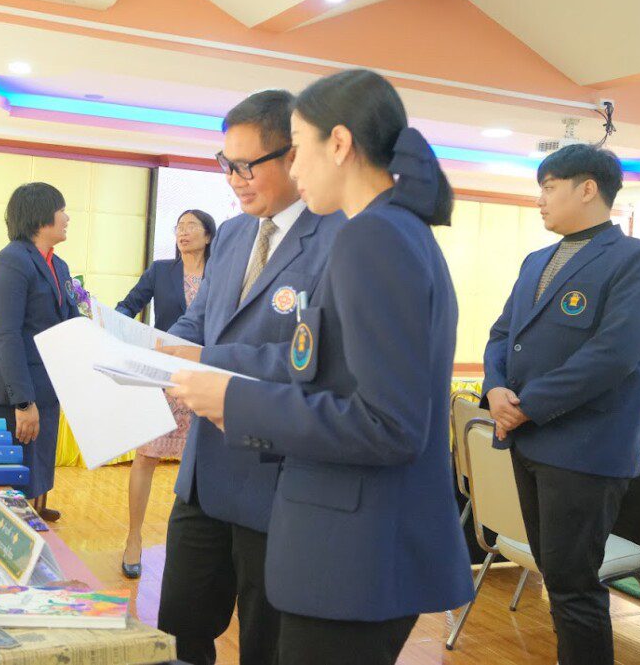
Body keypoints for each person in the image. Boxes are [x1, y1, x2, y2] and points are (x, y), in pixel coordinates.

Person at [169, 69, 474, 665]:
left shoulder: (371, 237)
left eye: (299, 146)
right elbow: (323, 364)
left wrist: (235, 402)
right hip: (357, 544)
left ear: (338, 144)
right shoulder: (396, 230)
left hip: (354, 547)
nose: (296, 166)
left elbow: (387, 424)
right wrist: (216, 370)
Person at [156, 90, 346, 665]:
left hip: (274, 478)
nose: (234, 180)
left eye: (247, 166)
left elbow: (316, 358)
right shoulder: (236, 233)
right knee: (179, 629)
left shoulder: (339, 238)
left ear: (293, 155)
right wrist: (157, 351)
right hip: (203, 472)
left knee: (265, 644)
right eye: (226, 164)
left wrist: (204, 360)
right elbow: (201, 318)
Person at [481, 144, 640, 665]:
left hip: (584, 449)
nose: (539, 199)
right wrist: (495, 389)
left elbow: (613, 355)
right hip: (528, 443)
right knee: (558, 578)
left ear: (588, 189)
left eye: (548, 187)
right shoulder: (535, 261)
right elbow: (502, 336)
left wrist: (526, 404)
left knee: (573, 586)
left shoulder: (638, 260)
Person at [0, 183, 81, 522]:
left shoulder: (58, 265)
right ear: (41, 216)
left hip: (42, 383)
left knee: (36, 464)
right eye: (62, 210)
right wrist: (24, 402)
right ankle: (9, 527)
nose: (67, 218)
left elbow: (69, 320)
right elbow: (7, 335)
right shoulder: (11, 262)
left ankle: (33, 511)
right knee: (8, 479)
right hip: (7, 390)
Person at [114, 208, 217, 579]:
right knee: (146, 457)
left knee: (201, 462)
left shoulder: (221, 273)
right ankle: (134, 538)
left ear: (209, 235)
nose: (183, 232)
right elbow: (128, 306)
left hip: (203, 380)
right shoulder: (160, 271)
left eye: (192, 226)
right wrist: (116, 329)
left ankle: (194, 544)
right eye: (179, 226)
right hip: (162, 377)